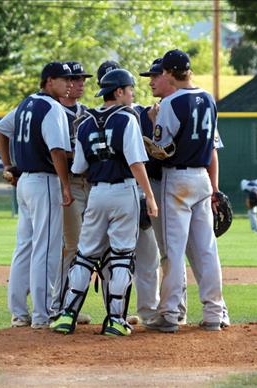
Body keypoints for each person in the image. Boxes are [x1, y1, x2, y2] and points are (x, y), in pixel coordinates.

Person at [50, 68, 158, 336]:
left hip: (96, 192)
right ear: (119, 91)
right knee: (121, 256)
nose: (133, 94)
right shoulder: (127, 119)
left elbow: (79, 167)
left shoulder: (85, 122)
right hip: (124, 191)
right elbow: (135, 163)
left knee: (85, 255)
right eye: (130, 89)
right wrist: (151, 197)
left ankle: (66, 316)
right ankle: (115, 320)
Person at [139, 58, 230, 328]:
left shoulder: (170, 103)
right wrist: (214, 190)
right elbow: (212, 147)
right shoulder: (209, 98)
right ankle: (215, 313)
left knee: (174, 251)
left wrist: (154, 122)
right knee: (206, 250)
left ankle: (169, 313)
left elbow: (161, 148)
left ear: (169, 73)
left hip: (176, 179)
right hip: (201, 178)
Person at [0, 61, 74, 329]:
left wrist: (8, 165)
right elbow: (57, 151)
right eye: (64, 79)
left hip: (25, 182)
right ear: (49, 81)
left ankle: (18, 312)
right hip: (45, 182)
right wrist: (65, 185)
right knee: (47, 248)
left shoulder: (27, 103)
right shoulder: (52, 107)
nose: (69, 84)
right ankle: (43, 314)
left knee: (25, 247)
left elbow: (0, 129)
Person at [95, 60, 159, 325]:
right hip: (125, 192)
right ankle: (117, 312)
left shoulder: (143, 112)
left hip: (134, 191)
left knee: (146, 255)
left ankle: (148, 311)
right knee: (115, 258)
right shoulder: (96, 118)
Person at [51, 61, 93, 325]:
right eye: (74, 79)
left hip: (91, 185)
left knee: (95, 249)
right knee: (72, 248)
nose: (79, 83)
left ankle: (72, 306)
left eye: (82, 79)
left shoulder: (88, 113)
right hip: (67, 183)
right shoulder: (53, 111)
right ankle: (60, 306)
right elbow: (54, 150)